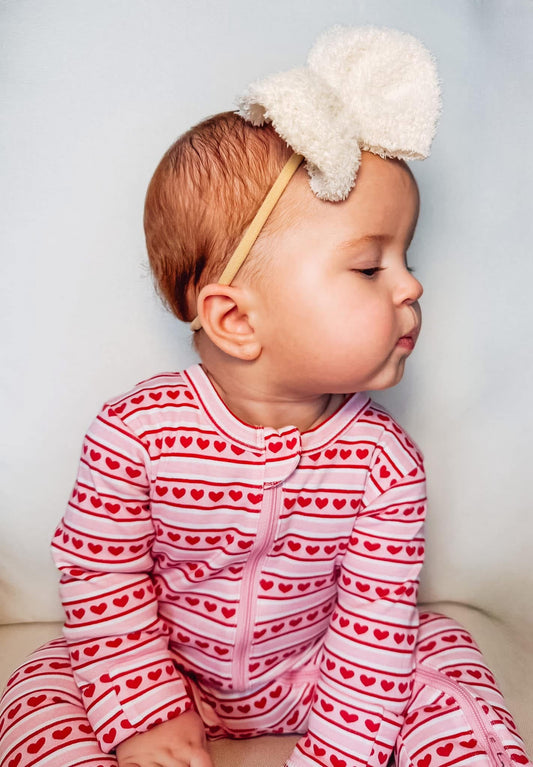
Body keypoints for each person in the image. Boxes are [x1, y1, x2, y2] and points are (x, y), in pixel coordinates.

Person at [0, 26, 531, 767]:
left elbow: (370, 631)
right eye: (369, 267)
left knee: (439, 654)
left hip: (315, 675)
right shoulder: (135, 434)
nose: (411, 285)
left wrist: (336, 751)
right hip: (164, 665)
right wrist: (144, 707)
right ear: (235, 318)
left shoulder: (384, 463)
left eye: (405, 258)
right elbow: (102, 575)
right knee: (37, 690)